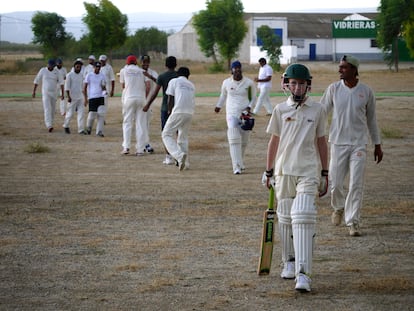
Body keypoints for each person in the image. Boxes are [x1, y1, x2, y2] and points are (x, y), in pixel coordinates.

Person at [264, 63, 328, 293]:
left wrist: (325, 172)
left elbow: (321, 141)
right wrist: (268, 170)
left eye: (302, 83)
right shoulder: (280, 110)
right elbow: (274, 141)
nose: (298, 87)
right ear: (286, 84)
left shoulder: (318, 110)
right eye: (294, 83)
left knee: (302, 216)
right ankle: (288, 261)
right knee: (286, 218)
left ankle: (304, 274)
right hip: (283, 171)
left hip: (308, 170)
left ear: (308, 85)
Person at [320, 55, 383, 237]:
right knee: (336, 183)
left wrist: (377, 144)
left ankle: (353, 221)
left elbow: (371, 120)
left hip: (358, 144)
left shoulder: (366, 91)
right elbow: (322, 111)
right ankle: (338, 207)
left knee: (356, 184)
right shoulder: (333, 89)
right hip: (338, 143)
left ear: (354, 70)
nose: (340, 70)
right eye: (340, 67)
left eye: (344, 67)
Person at [214, 61, 257, 175]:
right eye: (235, 68)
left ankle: (240, 162)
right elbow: (223, 95)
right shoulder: (226, 83)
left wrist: (249, 107)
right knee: (233, 139)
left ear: (241, 69)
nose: (237, 70)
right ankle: (236, 166)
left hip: (245, 114)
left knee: (244, 141)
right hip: (232, 113)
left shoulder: (249, 83)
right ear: (231, 70)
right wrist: (218, 106)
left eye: (238, 68)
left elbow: (253, 97)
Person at [143, 56, 178, 165]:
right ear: (176, 65)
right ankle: (178, 154)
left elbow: (155, 92)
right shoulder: (179, 76)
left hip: (165, 108)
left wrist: (147, 104)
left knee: (166, 133)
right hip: (178, 107)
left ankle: (168, 156)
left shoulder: (162, 76)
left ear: (165, 65)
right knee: (178, 132)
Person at [162, 67, 195, 171]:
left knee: (166, 134)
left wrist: (169, 111)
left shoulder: (174, 81)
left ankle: (179, 156)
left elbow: (170, 98)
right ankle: (186, 163)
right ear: (188, 76)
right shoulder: (191, 85)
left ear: (177, 74)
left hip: (178, 111)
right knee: (183, 138)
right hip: (189, 113)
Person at [119, 55, 148, 155]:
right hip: (141, 98)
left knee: (127, 122)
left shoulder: (124, 70)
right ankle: (140, 150)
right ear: (136, 62)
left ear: (127, 62)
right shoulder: (141, 71)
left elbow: (123, 85)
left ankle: (126, 147)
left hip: (129, 98)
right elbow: (147, 85)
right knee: (140, 124)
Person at [32, 59, 64, 132]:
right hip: (46, 93)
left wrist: (62, 94)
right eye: (50, 65)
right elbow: (37, 80)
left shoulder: (57, 72)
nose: (52, 67)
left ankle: (51, 123)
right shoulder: (43, 70)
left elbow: (61, 83)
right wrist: (34, 91)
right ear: (48, 65)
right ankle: (49, 125)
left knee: (52, 110)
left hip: (54, 93)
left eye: (53, 66)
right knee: (47, 109)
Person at [140, 54, 158, 154]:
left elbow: (159, 81)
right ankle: (144, 144)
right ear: (140, 62)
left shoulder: (152, 72)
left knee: (145, 124)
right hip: (139, 102)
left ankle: (145, 144)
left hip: (148, 103)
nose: (145, 64)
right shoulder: (138, 72)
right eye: (144, 62)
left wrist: (149, 76)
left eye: (147, 62)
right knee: (141, 124)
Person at [83, 61, 107, 137]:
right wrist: (86, 98)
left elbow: (103, 86)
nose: (97, 68)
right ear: (93, 67)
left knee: (101, 114)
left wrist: (104, 91)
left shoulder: (102, 75)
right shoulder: (89, 75)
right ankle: (89, 128)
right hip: (92, 97)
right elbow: (85, 87)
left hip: (100, 97)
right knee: (92, 114)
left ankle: (99, 131)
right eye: (96, 67)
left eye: (99, 67)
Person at [63, 59, 86, 134]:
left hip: (80, 97)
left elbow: (82, 87)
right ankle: (66, 125)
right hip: (72, 97)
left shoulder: (81, 75)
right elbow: (67, 87)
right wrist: (69, 97)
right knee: (70, 113)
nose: (78, 68)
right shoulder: (69, 75)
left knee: (81, 113)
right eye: (77, 67)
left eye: (80, 67)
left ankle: (81, 129)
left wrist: (85, 97)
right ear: (74, 67)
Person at [99, 54, 115, 121]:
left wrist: (112, 90)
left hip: (106, 89)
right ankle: (99, 117)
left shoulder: (109, 68)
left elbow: (112, 79)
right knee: (99, 104)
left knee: (104, 104)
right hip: (98, 89)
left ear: (106, 61)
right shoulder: (97, 67)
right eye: (101, 61)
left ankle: (103, 119)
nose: (102, 62)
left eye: (103, 61)